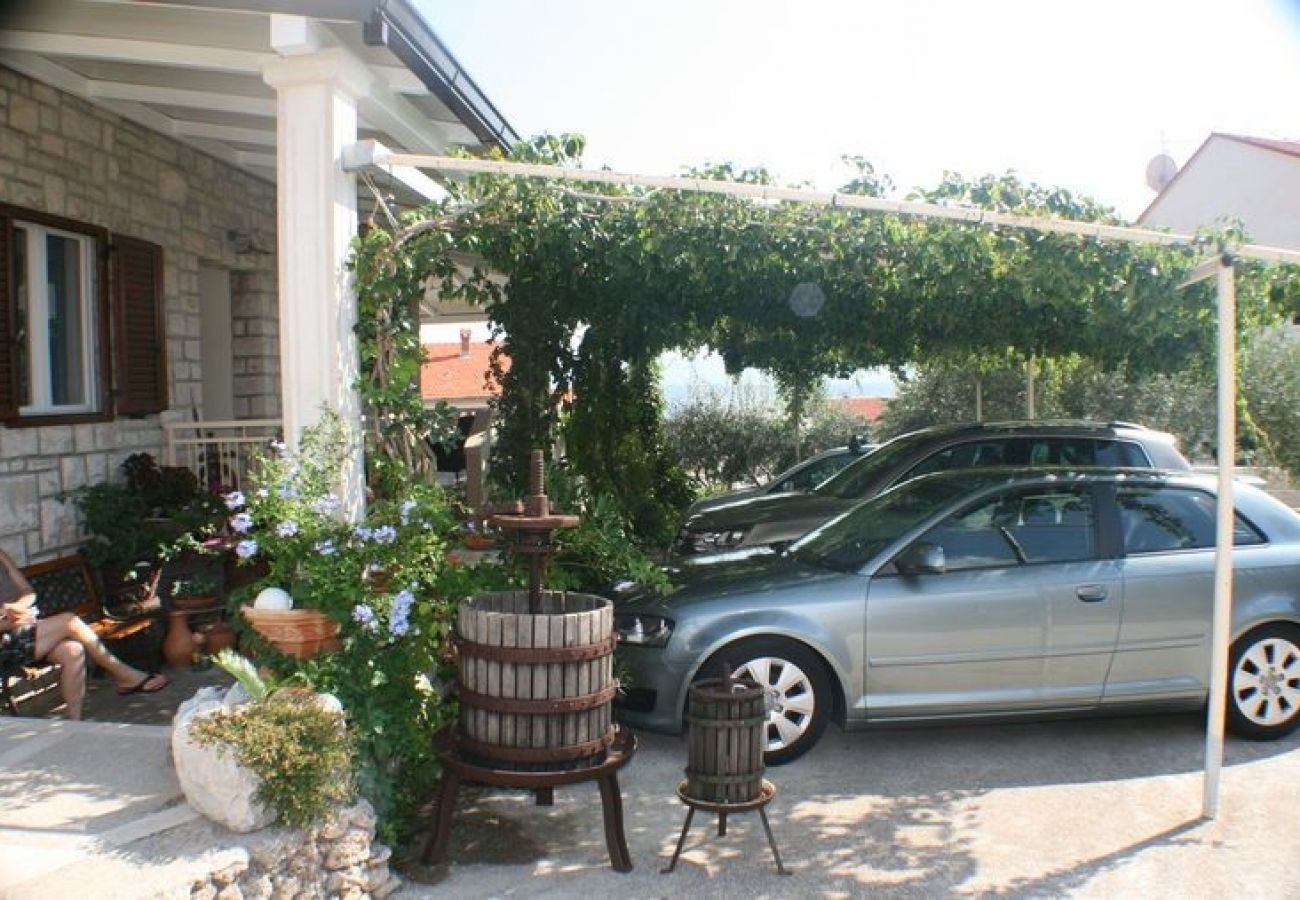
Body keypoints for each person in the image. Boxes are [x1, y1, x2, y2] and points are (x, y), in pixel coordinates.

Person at [0, 549, 168, 719]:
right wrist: (10, 620)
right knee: (70, 621)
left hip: (28, 631)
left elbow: (28, 591)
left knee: (73, 651)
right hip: (6, 642)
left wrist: (19, 607)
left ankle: (75, 721)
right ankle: (124, 674)